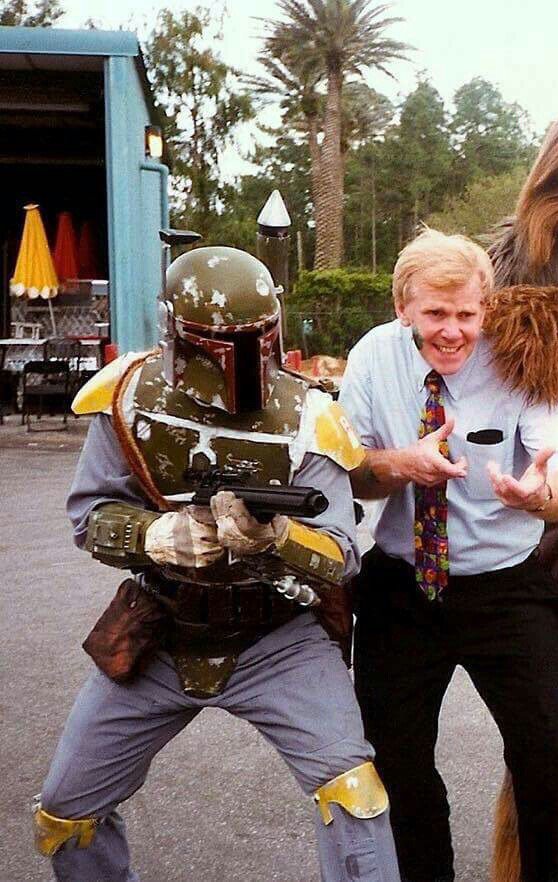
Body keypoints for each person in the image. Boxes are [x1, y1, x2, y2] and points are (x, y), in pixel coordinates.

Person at [33, 244, 401, 882]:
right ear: (177, 331)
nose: (241, 357)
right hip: (164, 630)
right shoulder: (127, 400)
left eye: (255, 337)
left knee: (354, 793)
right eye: (218, 341)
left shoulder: (310, 418)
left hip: (275, 637)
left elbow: (340, 555)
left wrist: (276, 537)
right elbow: (88, 516)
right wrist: (156, 536)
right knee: (67, 811)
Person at [337, 227, 558, 882]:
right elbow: (353, 473)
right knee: (394, 761)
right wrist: (401, 466)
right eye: (435, 315)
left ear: (487, 308)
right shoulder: (370, 360)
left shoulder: (520, 357)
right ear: (403, 309)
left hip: (504, 587)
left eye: (467, 315)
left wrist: (538, 496)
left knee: (554, 757)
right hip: (403, 587)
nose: (453, 332)